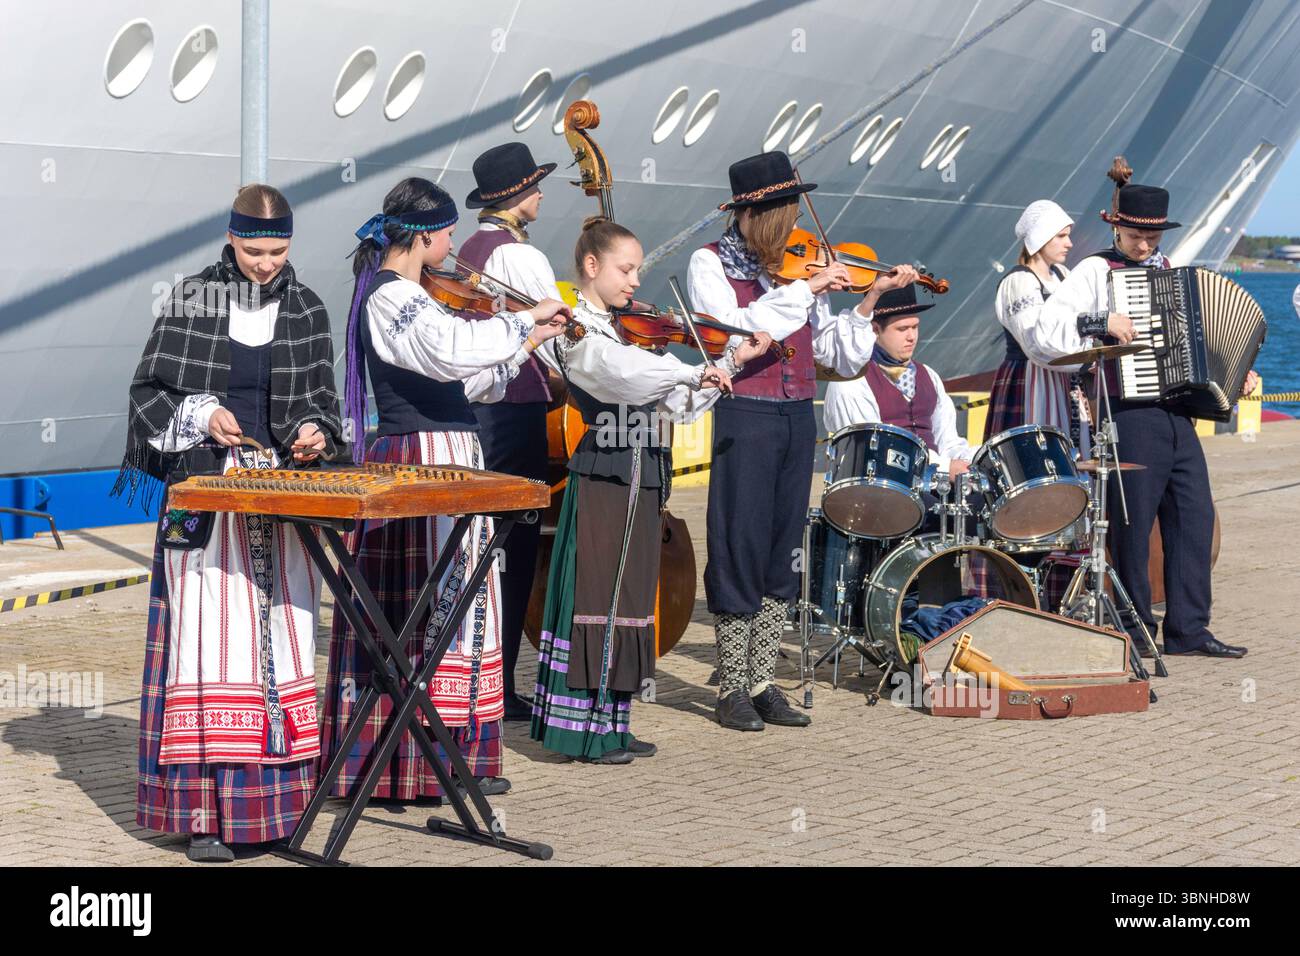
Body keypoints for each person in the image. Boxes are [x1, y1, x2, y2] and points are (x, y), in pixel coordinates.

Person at [320, 177, 570, 803]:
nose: (456, 242)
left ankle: (454, 752)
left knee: (461, 606)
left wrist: (530, 342)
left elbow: (465, 381)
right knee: (422, 606)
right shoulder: (388, 297)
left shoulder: (417, 296)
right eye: (450, 231)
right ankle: (404, 762)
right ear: (427, 234)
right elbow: (449, 352)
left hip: (451, 454)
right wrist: (522, 318)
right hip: (418, 461)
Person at [120, 184, 344, 862]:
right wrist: (203, 413)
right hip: (208, 495)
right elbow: (148, 395)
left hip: (279, 497)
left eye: (277, 251)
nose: (266, 263)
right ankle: (204, 816)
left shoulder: (307, 307)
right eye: (253, 250)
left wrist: (312, 432)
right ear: (229, 236)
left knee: (279, 645)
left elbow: (326, 403)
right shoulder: (192, 298)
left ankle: (277, 811)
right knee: (207, 649)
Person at [687, 150, 918, 732]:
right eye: (786, 213)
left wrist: (866, 301)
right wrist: (810, 286)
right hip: (746, 412)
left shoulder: (795, 269)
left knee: (781, 544)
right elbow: (740, 333)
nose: (795, 225)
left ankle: (763, 680)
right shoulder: (710, 262)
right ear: (757, 214)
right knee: (739, 539)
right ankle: (731, 685)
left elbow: (837, 355)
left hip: (795, 416)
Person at [530, 218, 765, 763]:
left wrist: (728, 362)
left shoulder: (628, 330)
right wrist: (689, 373)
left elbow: (677, 406)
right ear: (592, 266)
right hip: (605, 473)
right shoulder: (579, 331)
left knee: (631, 599)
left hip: (643, 472)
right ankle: (581, 732)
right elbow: (621, 376)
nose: (635, 281)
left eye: (637, 269)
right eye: (625, 268)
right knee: (598, 598)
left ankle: (613, 722)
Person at [1039, 158, 1257, 659]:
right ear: (1117, 227)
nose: (1145, 246)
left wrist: (1233, 368)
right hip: (1128, 413)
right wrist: (1102, 320)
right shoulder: (1096, 270)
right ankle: (1137, 631)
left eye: (1152, 237)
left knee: (1193, 516)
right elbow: (1048, 329)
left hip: (1178, 412)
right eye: (1138, 236)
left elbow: (1202, 340)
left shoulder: (1167, 270)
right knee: (1132, 525)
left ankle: (1188, 629)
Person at [460, 142, 564, 721]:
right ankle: (498, 685)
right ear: (517, 196)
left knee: (482, 543)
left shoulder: (471, 249)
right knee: (516, 544)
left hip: (481, 412)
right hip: (516, 408)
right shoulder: (520, 257)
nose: (542, 193)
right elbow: (562, 332)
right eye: (535, 186)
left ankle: (475, 674)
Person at [984, 199, 1131, 455]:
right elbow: (1037, 345)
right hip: (1032, 381)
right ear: (1041, 237)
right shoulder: (1019, 282)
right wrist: (1092, 335)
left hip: (1068, 381)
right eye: (1061, 236)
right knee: (1035, 460)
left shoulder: (1063, 274)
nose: (1069, 243)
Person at [823, 284, 973, 478]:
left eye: (915, 327)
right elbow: (872, 450)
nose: (912, 337)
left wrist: (969, 459)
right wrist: (944, 467)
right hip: (881, 490)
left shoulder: (929, 375)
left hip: (935, 485)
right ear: (875, 329)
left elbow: (948, 441)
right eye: (902, 329)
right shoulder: (851, 380)